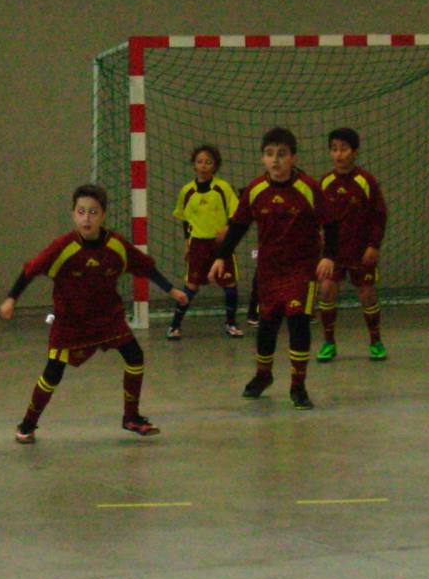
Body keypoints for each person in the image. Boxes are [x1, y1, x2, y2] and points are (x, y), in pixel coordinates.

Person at [0, 183, 188, 444]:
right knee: (53, 372)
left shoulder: (116, 245)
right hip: (71, 322)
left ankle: (131, 417)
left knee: (135, 356)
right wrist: (11, 298)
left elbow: (143, 266)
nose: (86, 218)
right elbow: (31, 269)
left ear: (103, 215)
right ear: (73, 214)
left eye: (93, 212)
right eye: (81, 212)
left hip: (108, 318)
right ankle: (28, 423)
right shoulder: (63, 247)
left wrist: (171, 290)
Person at [209, 128, 337, 409]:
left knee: (298, 321)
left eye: (281, 154)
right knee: (267, 324)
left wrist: (328, 255)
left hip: (302, 269)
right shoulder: (255, 189)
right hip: (269, 270)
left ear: (293, 157)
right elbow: (239, 226)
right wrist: (221, 257)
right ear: (262, 158)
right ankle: (263, 375)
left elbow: (330, 223)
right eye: (269, 154)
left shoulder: (308, 187)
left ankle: (298, 385)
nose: (275, 161)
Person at [316, 128, 388, 362]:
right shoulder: (325, 182)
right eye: (334, 149)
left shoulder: (366, 182)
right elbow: (317, 217)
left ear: (354, 152)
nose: (339, 154)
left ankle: (376, 341)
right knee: (326, 291)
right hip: (333, 254)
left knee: (367, 294)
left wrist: (373, 246)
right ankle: (328, 343)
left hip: (360, 251)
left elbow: (379, 216)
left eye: (344, 149)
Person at [166, 144, 244, 340]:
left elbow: (238, 213)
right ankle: (174, 326)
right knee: (191, 286)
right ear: (194, 165)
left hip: (220, 246)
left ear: (215, 166)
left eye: (208, 162)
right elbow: (185, 220)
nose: (203, 166)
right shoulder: (187, 191)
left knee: (230, 284)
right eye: (199, 162)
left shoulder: (222, 188)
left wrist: (228, 228)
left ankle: (231, 323)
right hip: (198, 244)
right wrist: (187, 244)